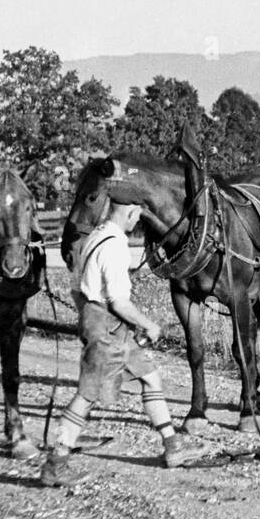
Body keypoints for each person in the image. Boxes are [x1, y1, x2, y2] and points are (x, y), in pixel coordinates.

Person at [40, 192, 211, 486]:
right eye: (137, 216)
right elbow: (119, 302)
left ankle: (172, 447)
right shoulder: (116, 245)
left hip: (106, 323)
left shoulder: (94, 236)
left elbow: (76, 290)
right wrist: (149, 325)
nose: (138, 221)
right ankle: (56, 462)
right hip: (107, 327)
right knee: (87, 394)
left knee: (151, 377)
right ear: (130, 213)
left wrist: (89, 315)